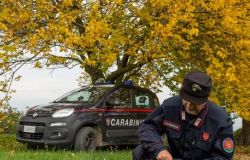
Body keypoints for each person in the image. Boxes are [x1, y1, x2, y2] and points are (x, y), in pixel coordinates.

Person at [133, 71, 235, 160]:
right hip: (173, 157)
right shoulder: (169, 106)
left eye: (196, 102)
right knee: (140, 151)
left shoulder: (221, 120)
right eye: (187, 99)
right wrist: (159, 149)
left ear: (208, 97)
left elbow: (222, 157)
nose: (190, 106)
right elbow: (147, 127)